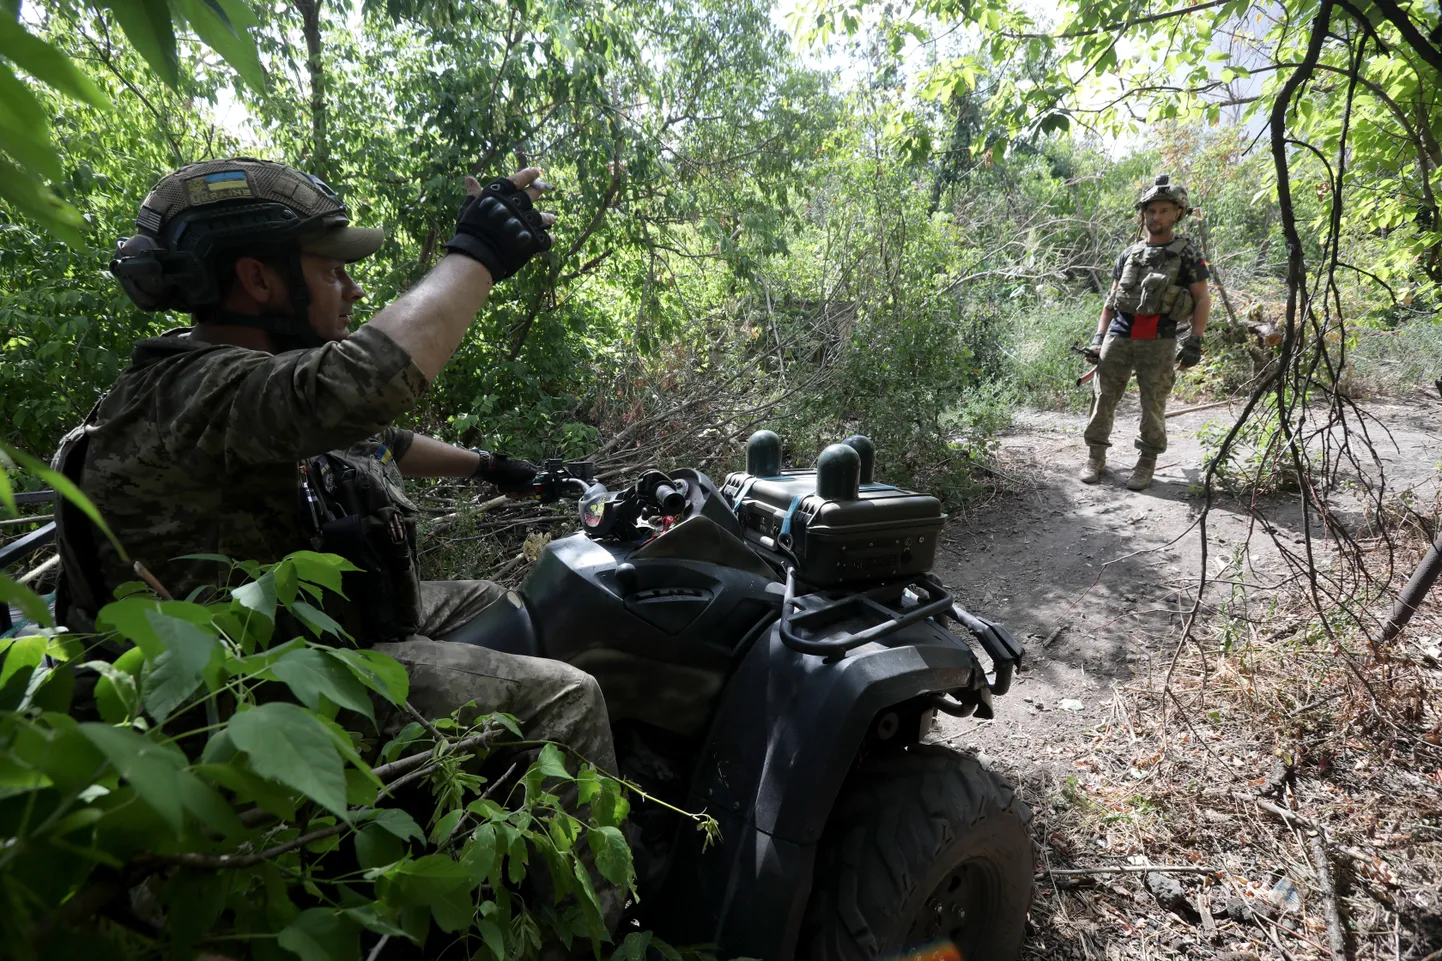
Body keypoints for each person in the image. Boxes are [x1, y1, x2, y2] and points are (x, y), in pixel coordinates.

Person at [52, 157, 621, 929]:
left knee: (494, 600)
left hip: (292, 639)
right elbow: (362, 384)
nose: (352, 288)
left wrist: (498, 469)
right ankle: (591, 929)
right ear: (256, 278)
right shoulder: (205, 390)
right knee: (569, 694)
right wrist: (477, 254)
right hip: (267, 691)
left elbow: (371, 436)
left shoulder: (215, 381)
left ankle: (478, 795)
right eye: (331, 270)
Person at [1079, 175, 1211, 491]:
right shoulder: (1129, 254)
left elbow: (1203, 297)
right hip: (1119, 337)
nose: (1156, 217)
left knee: (1153, 404)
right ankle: (1095, 457)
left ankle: (1146, 463)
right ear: (1144, 214)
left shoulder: (1188, 253)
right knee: (1103, 398)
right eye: (1152, 211)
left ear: (1177, 212)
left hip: (1160, 340)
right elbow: (1111, 301)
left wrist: (1195, 339)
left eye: (1164, 211)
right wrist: (1099, 338)